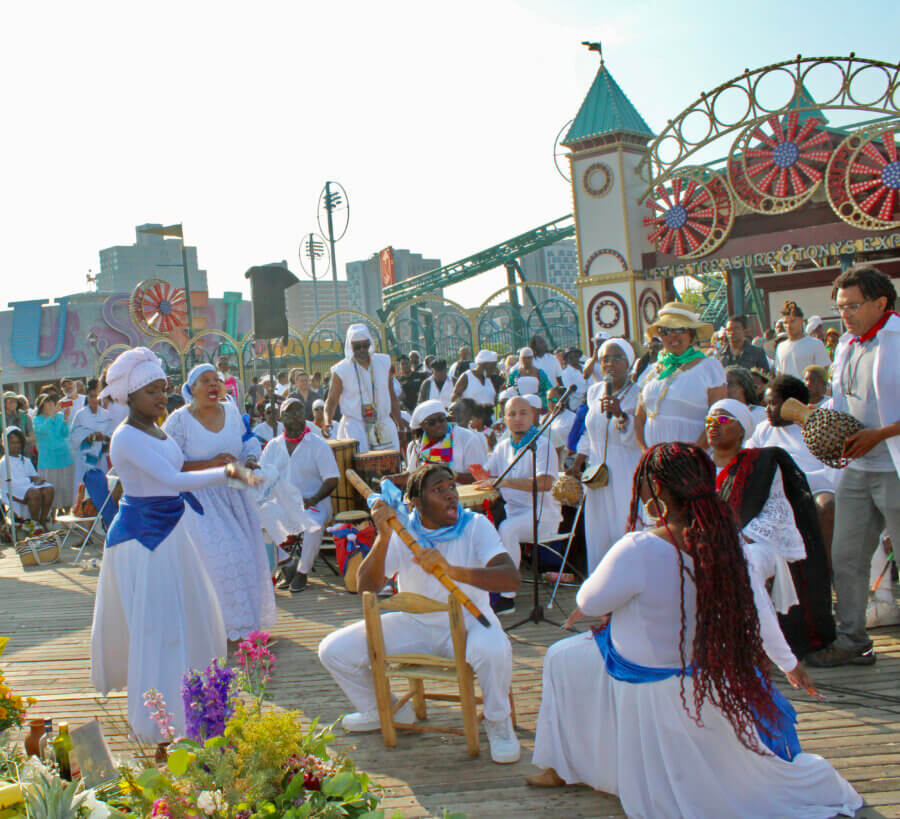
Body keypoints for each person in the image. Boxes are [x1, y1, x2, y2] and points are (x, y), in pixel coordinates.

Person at [528, 443, 861, 819]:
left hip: (644, 674)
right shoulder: (728, 542)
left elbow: (590, 604)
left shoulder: (637, 547)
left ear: (655, 494)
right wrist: (788, 664)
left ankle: (563, 768)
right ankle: (587, 767)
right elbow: (761, 610)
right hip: (700, 670)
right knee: (582, 656)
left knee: (560, 657)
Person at [91, 348, 261, 741]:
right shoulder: (125, 438)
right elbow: (172, 479)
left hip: (171, 534)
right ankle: (158, 724)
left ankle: (200, 710)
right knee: (158, 630)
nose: (159, 398)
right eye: (151, 391)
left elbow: (177, 471)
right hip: (144, 542)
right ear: (130, 396)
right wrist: (229, 473)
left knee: (189, 621)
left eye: (163, 390)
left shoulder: (157, 428)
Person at [318, 463, 521, 763]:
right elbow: (366, 587)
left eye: (451, 486)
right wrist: (383, 536)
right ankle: (385, 709)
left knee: (494, 648)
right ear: (416, 502)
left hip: (469, 620)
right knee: (333, 650)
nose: (451, 495)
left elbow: (510, 579)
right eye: (439, 490)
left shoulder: (475, 525)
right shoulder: (402, 530)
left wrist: (453, 571)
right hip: (415, 624)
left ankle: (497, 721)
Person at [807, 265, 900, 668]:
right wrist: (812, 417)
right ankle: (852, 639)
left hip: (895, 465)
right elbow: (841, 404)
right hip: (859, 469)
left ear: (881, 303)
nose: (844, 314)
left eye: (852, 305)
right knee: (846, 555)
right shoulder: (846, 344)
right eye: (840, 307)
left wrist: (880, 434)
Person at [709, 399, 836, 660]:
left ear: (742, 429)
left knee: (747, 561)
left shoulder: (761, 465)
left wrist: (738, 538)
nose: (713, 426)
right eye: (709, 421)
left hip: (752, 543)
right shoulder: (696, 466)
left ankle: (749, 641)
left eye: (722, 420)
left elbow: (776, 512)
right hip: (705, 542)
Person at [163, 363, 276, 641]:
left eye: (217, 380)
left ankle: (246, 628)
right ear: (191, 389)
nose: (214, 385)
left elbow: (247, 441)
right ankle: (222, 629)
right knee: (224, 559)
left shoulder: (232, 411)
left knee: (248, 557)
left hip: (234, 493)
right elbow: (168, 463)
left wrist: (250, 460)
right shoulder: (178, 421)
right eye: (205, 381)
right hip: (200, 499)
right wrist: (210, 465)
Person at [479, 396, 561, 616]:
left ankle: (507, 597)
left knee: (507, 529)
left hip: (542, 516)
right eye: (512, 414)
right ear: (504, 419)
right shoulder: (504, 445)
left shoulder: (543, 445)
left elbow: (545, 483)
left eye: (523, 413)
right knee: (486, 525)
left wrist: (504, 481)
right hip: (513, 513)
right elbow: (488, 474)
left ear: (533, 416)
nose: (517, 418)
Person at [568, 338, 642, 572]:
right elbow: (589, 433)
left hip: (624, 468)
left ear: (629, 361)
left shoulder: (638, 393)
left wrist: (621, 415)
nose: (610, 363)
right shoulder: (594, 391)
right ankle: (602, 588)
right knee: (598, 528)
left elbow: (637, 437)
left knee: (623, 526)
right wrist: (578, 463)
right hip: (596, 471)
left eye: (617, 358)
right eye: (604, 359)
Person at [746, 376, 837, 564]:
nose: (767, 410)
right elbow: (748, 461)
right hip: (772, 492)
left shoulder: (818, 428)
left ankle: (827, 569)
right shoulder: (762, 429)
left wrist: (797, 481)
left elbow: (831, 472)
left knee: (827, 505)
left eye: (773, 404)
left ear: (792, 404)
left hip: (812, 488)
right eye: (766, 404)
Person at [260, 397, 339, 593]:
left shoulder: (318, 444)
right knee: (258, 518)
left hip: (314, 503)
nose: (295, 416)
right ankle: (287, 563)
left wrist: (312, 499)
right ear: (281, 417)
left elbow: (332, 480)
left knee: (312, 525)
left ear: (305, 415)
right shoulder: (273, 446)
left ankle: (302, 572)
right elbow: (263, 477)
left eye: (299, 411)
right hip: (284, 505)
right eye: (289, 412)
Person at [634, 302, 727, 451]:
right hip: (656, 465)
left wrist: (692, 456)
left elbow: (719, 418)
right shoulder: (652, 371)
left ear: (691, 333)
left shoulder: (709, 367)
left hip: (693, 463)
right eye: (665, 331)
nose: (672, 336)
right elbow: (639, 418)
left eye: (679, 330)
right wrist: (646, 453)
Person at [325, 324, 402, 454]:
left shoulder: (384, 362)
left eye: (365, 346)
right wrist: (327, 421)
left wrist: (399, 421)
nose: (361, 350)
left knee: (389, 468)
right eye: (357, 347)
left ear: (370, 344)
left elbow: (391, 395)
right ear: (350, 346)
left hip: (383, 423)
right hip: (356, 427)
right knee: (360, 470)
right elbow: (332, 400)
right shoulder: (341, 370)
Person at [405, 400, 485, 483]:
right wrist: (391, 479)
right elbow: (411, 475)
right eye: (432, 422)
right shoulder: (419, 444)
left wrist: (446, 473)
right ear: (422, 426)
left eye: (441, 419)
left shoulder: (467, 438)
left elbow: (480, 477)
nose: (438, 424)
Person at [0, 427, 54, 528]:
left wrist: (39, 481)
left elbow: (34, 476)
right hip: (12, 491)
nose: (16, 445)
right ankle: (34, 525)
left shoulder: (25, 460)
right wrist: (29, 483)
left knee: (49, 489)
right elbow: (8, 486)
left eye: (18, 442)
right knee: (33, 492)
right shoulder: (4, 462)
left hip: (27, 487)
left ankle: (42, 522)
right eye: (12, 443)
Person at [69, 379, 114, 496]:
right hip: (84, 457)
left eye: (97, 396)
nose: (94, 400)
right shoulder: (80, 414)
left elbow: (112, 435)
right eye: (91, 396)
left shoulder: (106, 414)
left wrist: (103, 438)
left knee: (102, 486)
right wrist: (89, 437)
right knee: (84, 486)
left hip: (101, 457)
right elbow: (74, 436)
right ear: (87, 397)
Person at [33, 393, 75, 510]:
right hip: (48, 460)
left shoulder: (59, 416)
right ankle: (51, 516)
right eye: (47, 402)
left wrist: (66, 419)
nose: (51, 404)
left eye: (52, 402)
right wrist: (52, 414)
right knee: (51, 489)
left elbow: (65, 433)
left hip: (64, 457)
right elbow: (43, 430)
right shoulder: (37, 419)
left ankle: (67, 513)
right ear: (41, 405)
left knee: (66, 488)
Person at [774, 301, 831, 378]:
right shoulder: (780, 347)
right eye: (785, 322)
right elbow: (779, 375)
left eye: (792, 321)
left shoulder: (816, 344)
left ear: (801, 321)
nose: (789, 325)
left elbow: (825, 372)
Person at [725, 365, 766, 431]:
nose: (725, 388)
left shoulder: (762, 414)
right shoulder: (719, 417)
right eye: (723, 384)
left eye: (729, 383)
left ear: (743, 387)